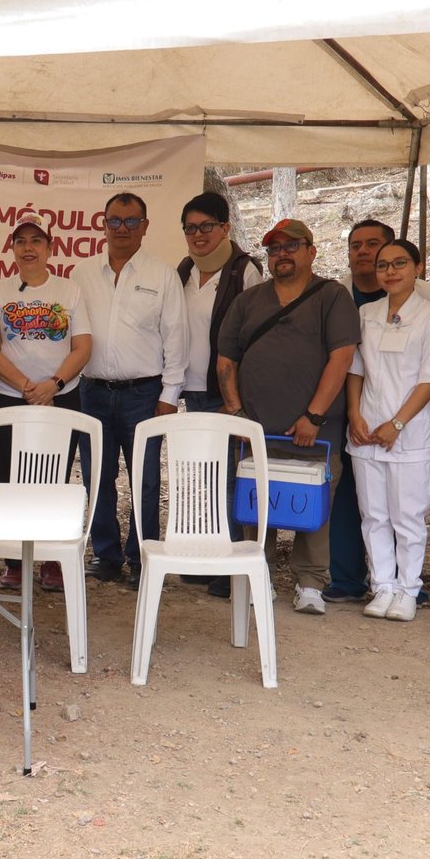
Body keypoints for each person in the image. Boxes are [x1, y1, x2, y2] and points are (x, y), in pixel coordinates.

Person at [216, 218, 361, 615]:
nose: (282, 254)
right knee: (255, 504)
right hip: (256, 430)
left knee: (314, 505)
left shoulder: (332, 297)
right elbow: (226, 359)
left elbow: (342, 357)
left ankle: (310, 582)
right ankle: (256, 574)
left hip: (315, 429)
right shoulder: (248, 301)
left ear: (311, 251)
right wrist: (236, 413)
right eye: (274, 248)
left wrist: (314, 416)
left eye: (291, 246)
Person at [326, 219, 430, 606]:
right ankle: (382, 587)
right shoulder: (366, 314)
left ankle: (408, 590)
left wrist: (397, 423)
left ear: (417, 268)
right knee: (374, 516)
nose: (390, 271)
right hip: (366, 430)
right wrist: (355, 414)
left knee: (407, 518)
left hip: (408, 433)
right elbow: (355, 370)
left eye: (399, 264)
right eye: (383, 265)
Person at [73, 192, 187, 589]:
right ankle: (106, 555)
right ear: (103, 224)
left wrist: (169, 396)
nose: (122, 229)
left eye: (131, 221)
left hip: (144, 395)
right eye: (115, 221)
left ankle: (142, 558)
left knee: (146, 479)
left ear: (145, 226)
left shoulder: (162, 275)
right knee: (97, 476)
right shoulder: (81, 274)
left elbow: (176, 338)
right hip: (92, 393)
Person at [0, 215, 92, 594]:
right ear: (12, 248)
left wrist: (53, 385)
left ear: (50, 248)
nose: (28, 248)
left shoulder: (69, 290)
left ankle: (52, 559)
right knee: (11, 479)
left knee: (54, 480)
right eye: (21, 241)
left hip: (62, 397)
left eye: (36, 241)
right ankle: (15, 561)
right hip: (11, 398)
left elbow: (83, 347)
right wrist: (28, 386)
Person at [175, 191, 261, 597]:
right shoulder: (183, 270)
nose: (198, 234)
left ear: (225, 227)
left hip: (226, 395)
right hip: (191, 392)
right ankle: (204, 556)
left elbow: (253, 339)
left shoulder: (245, 271)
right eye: (190, 228)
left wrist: (237, 401)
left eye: (206, 226)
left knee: (227, 480)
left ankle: (227, 566)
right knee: (199, 479)